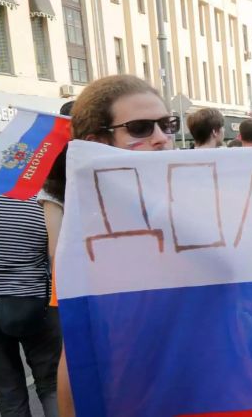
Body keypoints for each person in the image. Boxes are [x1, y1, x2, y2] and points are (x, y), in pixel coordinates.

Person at [39, 75, 178, 417]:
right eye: (141, 128)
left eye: (167, 124)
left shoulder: (202, 208)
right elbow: (74, 357)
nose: (161, 139)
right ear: (97, 144)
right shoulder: (88, 240)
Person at [0, 134, 62, 417]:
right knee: (51, 385)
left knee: (8, 396)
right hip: (39, 303)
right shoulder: (41, 198)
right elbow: (55, 254)